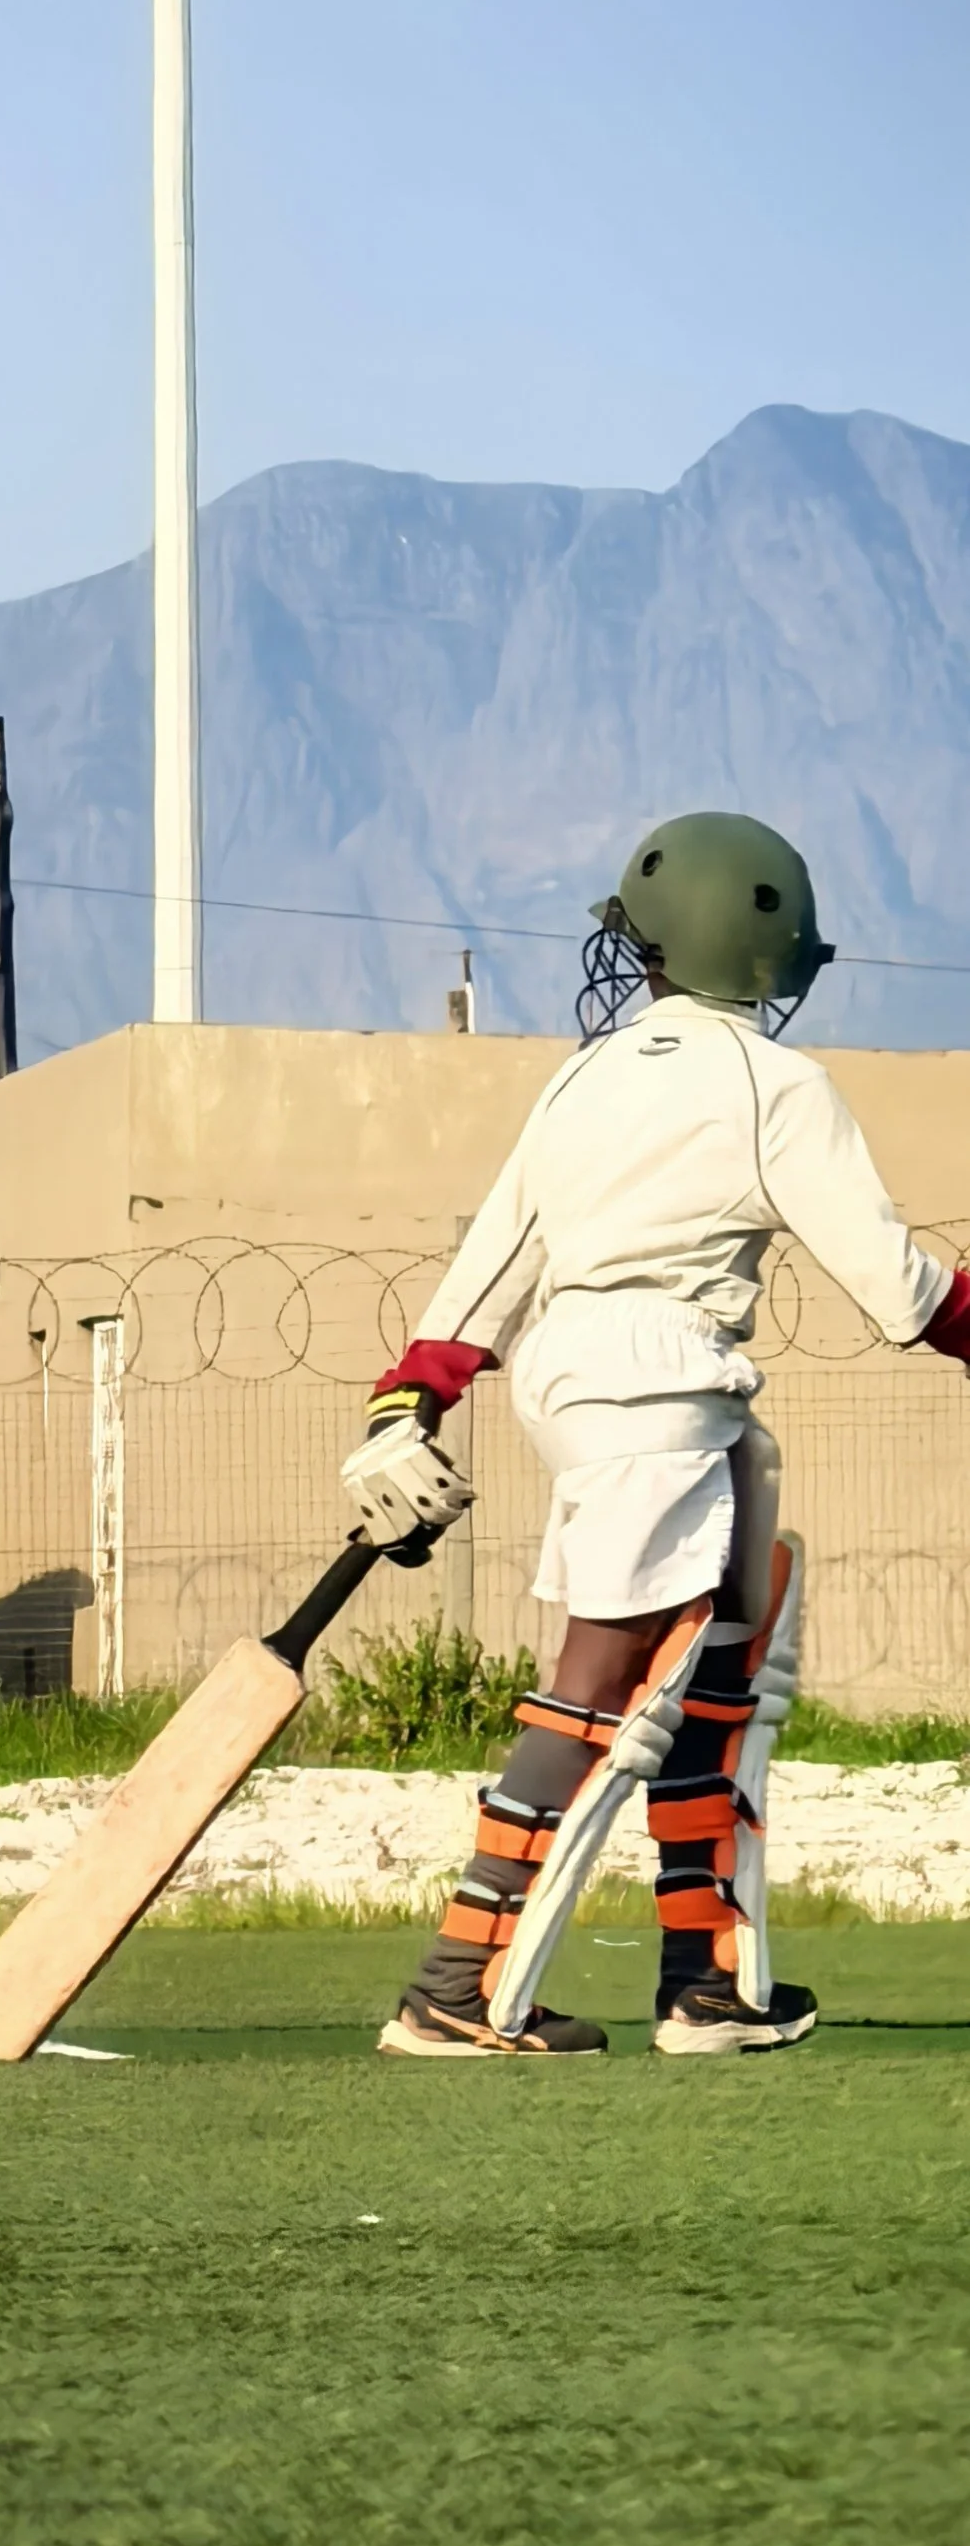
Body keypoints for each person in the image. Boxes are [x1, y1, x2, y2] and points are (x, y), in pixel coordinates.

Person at [341, 811, 970, 2058]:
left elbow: (497, 1259)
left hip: (589, 1378)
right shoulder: (776, 1086)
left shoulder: (583, 1073)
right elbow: (900, 1293)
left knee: (719, 1674)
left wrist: (405, 1403)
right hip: (657, 1388)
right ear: (773, 953)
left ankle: (705, 1986)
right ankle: (452, 1986)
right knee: (602, 1682)